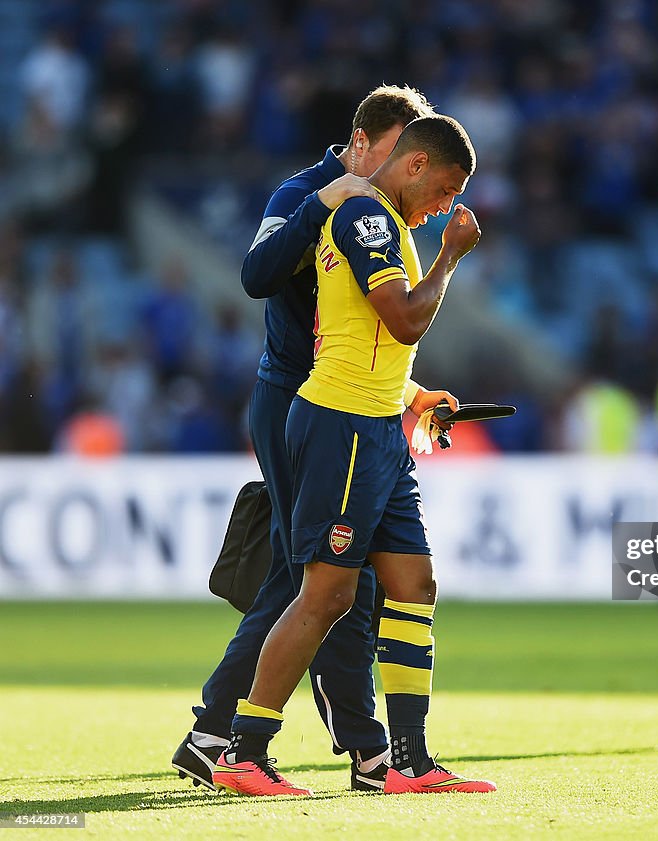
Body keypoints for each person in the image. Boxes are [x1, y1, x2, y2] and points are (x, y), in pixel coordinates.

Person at [171, 85, 454, 793]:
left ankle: (277, 738)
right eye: (395, 156)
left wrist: (413, 393)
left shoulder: (389, 213)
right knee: (321, 581)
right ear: (360, 145)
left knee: (328, 579)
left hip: (352, 397)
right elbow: (257, 276)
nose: (401, 172)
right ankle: (302, 741)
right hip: (298, 397)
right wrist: (320, 205)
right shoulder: (309, 194)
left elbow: (370, 333)